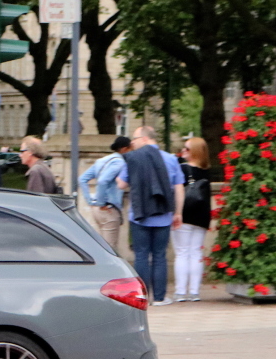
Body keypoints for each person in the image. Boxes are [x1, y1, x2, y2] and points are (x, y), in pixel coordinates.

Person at [117, 126, 185, 307]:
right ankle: (160, 298)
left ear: (145, 139)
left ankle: (143, 297)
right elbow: (179, 188)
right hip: (163, 215)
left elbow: (121, 184)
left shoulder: (133, 159)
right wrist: (177, 212)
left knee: (141, 256)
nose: (133, 143)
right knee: (159, 256)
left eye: (135, 139)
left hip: (139, 215)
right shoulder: (171, 159)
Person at [173, 136, 212, 302]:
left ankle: (181, 291)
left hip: (185, 213)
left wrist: (176, 212)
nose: (183, 151)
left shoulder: (182, 169)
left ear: (194, 151)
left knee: (182, 252)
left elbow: (177, 192)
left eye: (186, 148)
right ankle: (195, 291)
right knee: (196, 252)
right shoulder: (207, 171)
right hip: (202, 215)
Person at [79, 136, 133, 251]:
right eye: (130, 148)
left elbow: (82, 179)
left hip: (96, 210)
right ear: (124, 149)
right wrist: (101, 202)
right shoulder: (120, 163)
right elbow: (103, 180)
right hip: (109, 208)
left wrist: (90, 200)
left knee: (101, 247)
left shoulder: (101, 161)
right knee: (110, 250)